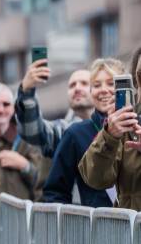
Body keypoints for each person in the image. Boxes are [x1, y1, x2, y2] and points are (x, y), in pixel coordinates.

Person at [43, 58, 123, 207]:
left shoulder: (135, 127)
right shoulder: (75, 133)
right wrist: (71, 226)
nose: (103, 89)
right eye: (96, 85)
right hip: (95, 227)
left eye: (111, 83)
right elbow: (55, 191)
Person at [79, 48, 141, 210]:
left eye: (110, 83)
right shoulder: (129, 125)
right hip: (128, 232)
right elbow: (95, 179)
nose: (104, 90)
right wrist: (109, 136)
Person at [15, 60, 92, 157]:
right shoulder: (65, 131)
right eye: (72, 85)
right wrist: (26, 91)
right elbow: (33, 131)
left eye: (84, 83)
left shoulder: (111, 126)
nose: (77, 88)